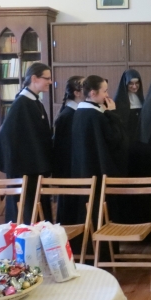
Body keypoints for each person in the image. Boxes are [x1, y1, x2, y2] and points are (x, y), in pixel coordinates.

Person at [0, 62, 53, 224]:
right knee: (26, 211)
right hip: (25, 168)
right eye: (47, 78)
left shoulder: (34, 101)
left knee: (37, 207)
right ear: (34, 78)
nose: (50, 81)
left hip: (34, 167)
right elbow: (7, 136)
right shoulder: (22, 103)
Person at [71, 75, 127, 179]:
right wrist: (111, 113)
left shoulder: (79, 112)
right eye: (105, 91)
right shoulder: (96, 115)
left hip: (83, 168)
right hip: (97, 170)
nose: (107, 95)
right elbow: (115, 138)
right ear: (93, 93)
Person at [53, 75, 84, 224]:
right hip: (69, 171)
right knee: (70, 210)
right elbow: (64, 149)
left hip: (73, 169)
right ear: (77, 93)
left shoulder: (76, 112)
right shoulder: (68, 115)